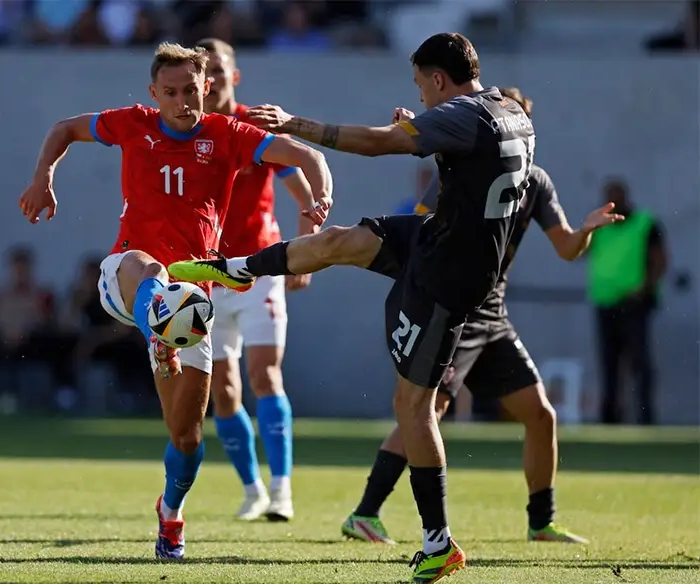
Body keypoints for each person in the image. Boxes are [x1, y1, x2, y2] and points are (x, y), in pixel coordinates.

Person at [170, 32, 534, 583]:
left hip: (450, 274)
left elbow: (377, 142)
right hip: (442, 237)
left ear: (438, 77)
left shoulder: (458, 114)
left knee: (413, 406)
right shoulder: (509, 109)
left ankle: (438, 542)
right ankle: (235, 266)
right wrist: (428, 127)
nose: (422, 94)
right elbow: (475, 157)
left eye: (422, 84)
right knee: (340, 241)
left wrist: (299, 124)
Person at [17, 42, 333, 560]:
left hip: (193, 301)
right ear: (153, 93)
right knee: (149, 268)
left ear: (207, 88)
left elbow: (306, 155)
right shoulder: (132, 123)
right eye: (170, 92)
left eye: (191, 90)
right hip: (128, 275)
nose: (182, 101)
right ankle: (159, 321)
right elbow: (64, 129)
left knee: (186, 438)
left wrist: (319, 199)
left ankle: (170, 512)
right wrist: (43, 177)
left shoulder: (228, 135)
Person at [340, 87, 623, 548]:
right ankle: (365, 512)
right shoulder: (460, 174)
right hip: (455, 306)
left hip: (493, 314)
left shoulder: (537, 182)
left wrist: (586, 231)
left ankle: (541, 523)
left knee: (540, 415)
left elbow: (568, 248)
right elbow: (421, 232)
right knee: (427, 409)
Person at [196, 37, 318, 522]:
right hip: (206, 274)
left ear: (234, 75)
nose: (214, 81)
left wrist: (305, 251)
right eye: (205, 74)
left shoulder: (255, 128)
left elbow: (301, 186)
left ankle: (282, 488)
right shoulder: (188, 131)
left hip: (260, 266)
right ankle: (252, 489)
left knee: (264, 375)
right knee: (222, 392)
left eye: (220, 71)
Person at [589, 179, 667, 425]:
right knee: (609, 363)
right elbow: (580, 251)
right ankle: (610, 418)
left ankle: (645, 417)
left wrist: (647, 287)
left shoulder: (645, 223)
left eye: (617, 197)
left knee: (639, 363)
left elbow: (659, 259)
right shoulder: (601, 225)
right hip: (605, 301)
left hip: (634, 303)